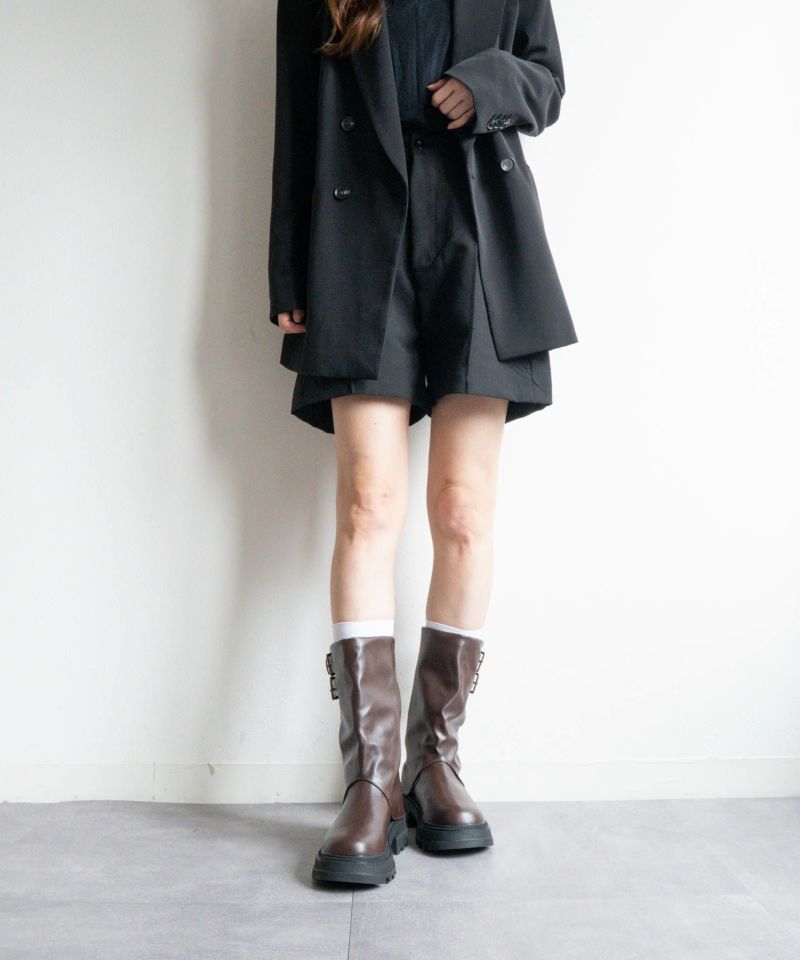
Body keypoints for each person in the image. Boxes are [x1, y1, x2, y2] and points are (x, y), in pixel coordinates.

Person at [268, 0, 577, 885]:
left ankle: (435, 761)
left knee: (463, 511)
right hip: (358, 238)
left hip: (479, 234)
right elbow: (295, 115)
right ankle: (371, 780)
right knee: (369, 504)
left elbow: (548, 81)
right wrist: (288, 270)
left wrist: (487, 84)